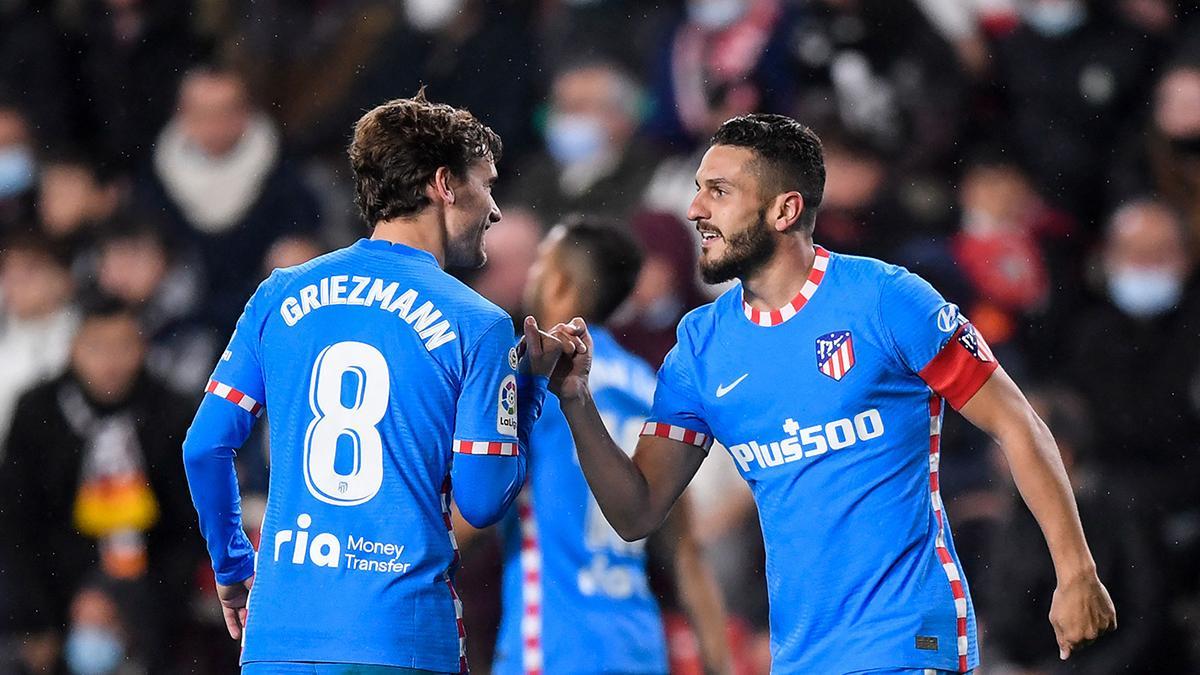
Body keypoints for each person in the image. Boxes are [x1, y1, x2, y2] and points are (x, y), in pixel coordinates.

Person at [542, 114, 1116, 673]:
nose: (695, 210)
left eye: (718, 191)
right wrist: (576, 400)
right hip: (803, 654)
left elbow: (1017, 422)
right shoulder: (700, 346)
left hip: (907, 638)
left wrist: (1076, 572)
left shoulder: (885, 299)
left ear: (784, 209)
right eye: (698, 190)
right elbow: (636, 510)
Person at [181, 92, 568, 673]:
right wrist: (531, 388)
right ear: (445, 184)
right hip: (401, 638)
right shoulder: (480, 325)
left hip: (279, 639)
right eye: (486, 185)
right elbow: (483, 502)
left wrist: (234, 568)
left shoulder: (279, 294)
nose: (494, 210)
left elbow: (204, 447)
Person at [485, 216, 730, 675]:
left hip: (554, 645)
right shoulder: (649, 386)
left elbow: (481, 505)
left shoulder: (535, 376)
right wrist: (719, 666)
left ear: (559, 280)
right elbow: (685, 550)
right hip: (637, 647)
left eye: (540, 263)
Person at [0, 297, 201, 673]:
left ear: (142, 347)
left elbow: (188, 530)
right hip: (52, 590)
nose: (110, 362)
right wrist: (37, 619)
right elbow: (16, 523)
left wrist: (132, 611)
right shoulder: (37, 411)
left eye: (123, 346)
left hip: (148, 593)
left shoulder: (172, 414)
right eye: (96, 347)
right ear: (73, 348)